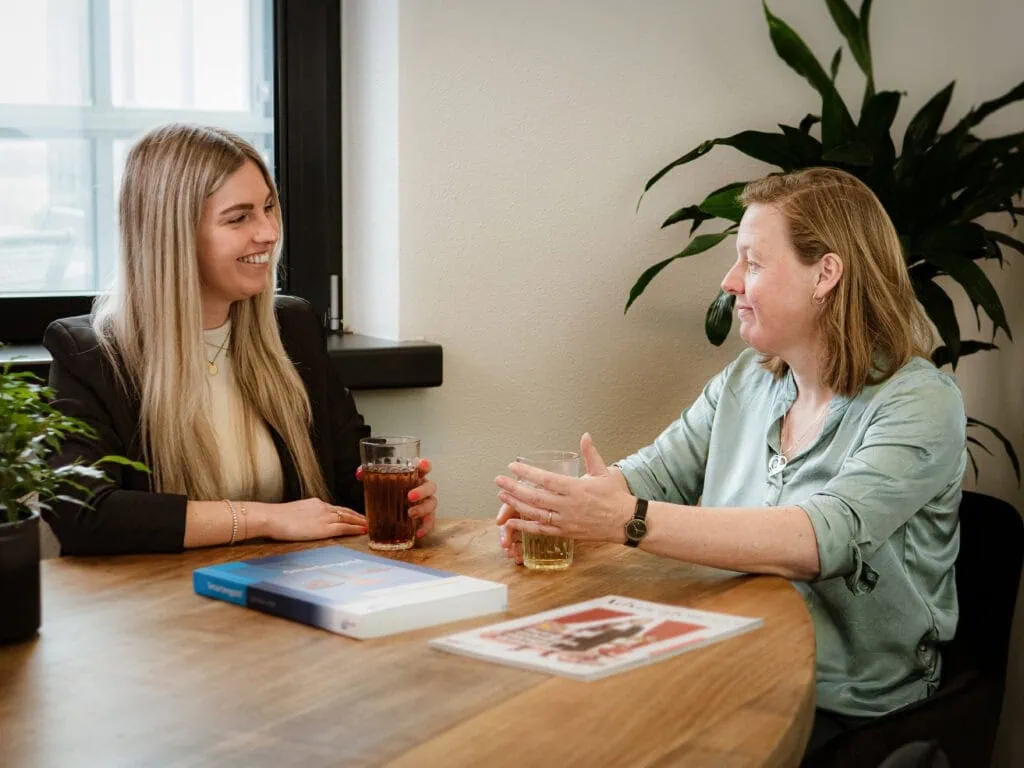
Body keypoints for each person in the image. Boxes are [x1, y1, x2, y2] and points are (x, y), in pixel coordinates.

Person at [495, 168, 966, 759]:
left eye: (753, 262)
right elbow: (657, 474)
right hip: (722, 665)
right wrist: (567, 507)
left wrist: (624, 519)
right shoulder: (748, 379)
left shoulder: (920, 401)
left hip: (846, 711)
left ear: (826, 274)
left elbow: (823, 538)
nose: (730, 281)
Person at [43, 123, 438, 556]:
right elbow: (81, 512)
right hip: (157, 606)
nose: (269, 232)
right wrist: (263, 518)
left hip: (293, 589)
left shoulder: (293, 327)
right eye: (239, 217)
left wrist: (401, 503)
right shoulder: (91, 353)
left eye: (269, 208)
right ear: (173, 236)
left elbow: (347, 479)